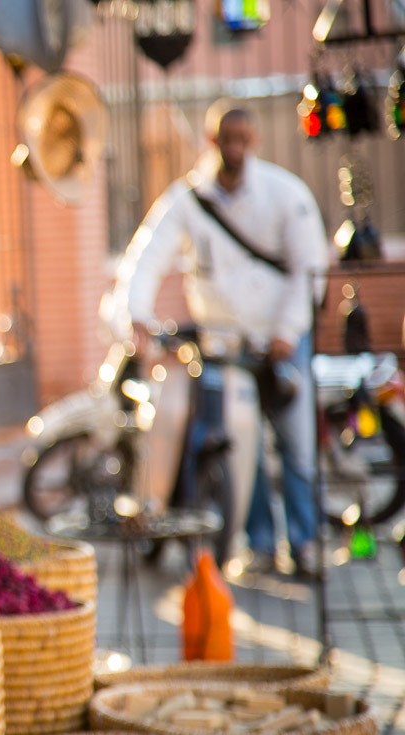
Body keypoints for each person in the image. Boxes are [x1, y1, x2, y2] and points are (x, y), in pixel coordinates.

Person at [105, 102, 329, 576]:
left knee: (296, 444)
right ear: (212, 141)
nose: (235, 149)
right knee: (238, 440)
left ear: (255, 143)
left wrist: (288, 332)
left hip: (281, 341)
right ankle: (262, 544)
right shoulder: (188, 200)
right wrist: (136, 315)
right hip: (225, 345)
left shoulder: (285, 194)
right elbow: (147, 257)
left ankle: (306, 544)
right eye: (226, 139)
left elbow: (309, 270)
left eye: (243, 140)